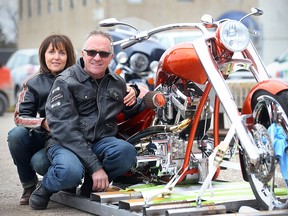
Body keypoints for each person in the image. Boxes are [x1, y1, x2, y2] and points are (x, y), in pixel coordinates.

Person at [29, 30, 143, 210]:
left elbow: (132, 109)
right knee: (70, 172)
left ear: (111, 57)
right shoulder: (65, 81)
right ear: (83, 53)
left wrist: (139, 93)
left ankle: (90, 186)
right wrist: (96, 167)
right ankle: (44, 188)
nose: (97, 57)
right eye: (92, 52)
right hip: (65, 143)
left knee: (126, 152)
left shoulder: (117, 82)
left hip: (100, 141)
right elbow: (64, 131)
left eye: (103, 53)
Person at [7, 34, 77, 205]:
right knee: (16, 135)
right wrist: (42, 123)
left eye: (62, 53)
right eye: (51, 52)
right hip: (44, 137)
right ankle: (29, 185)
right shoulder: (33, 82)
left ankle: (69, 181)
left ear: (69, 56)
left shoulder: (78, 79)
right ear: (43, 55)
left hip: (71, 139)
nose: (56, 57)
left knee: (41, 162)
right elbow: (19, 117)